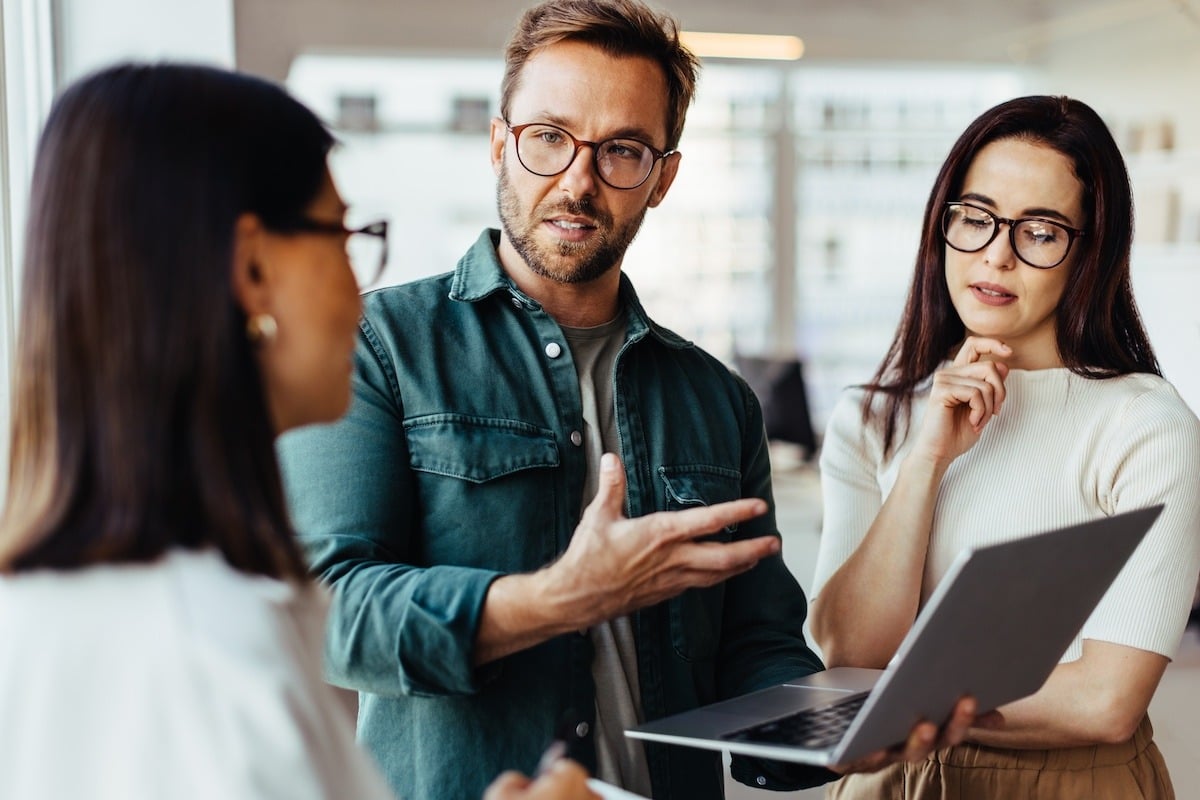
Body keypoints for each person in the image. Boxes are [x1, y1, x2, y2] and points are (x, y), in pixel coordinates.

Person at [276, 1, 982, 798]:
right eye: (549, 137)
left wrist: (836, 731)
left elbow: (757, 648)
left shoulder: (719, 401)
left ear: (663, 178)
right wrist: (554, 600)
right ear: (499, 144)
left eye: (621, 150)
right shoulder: (380, 345)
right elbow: (326, 613)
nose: (578, 181)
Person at [0, 62, 597, 800]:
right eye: (343, 237)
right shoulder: (211, 647)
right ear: (253, 268)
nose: (358, 288)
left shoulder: (62, 605)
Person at [809, 94, 1200, 799]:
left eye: (1040, 232)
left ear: (1090, 252)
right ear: (943, 224)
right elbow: (850, 652)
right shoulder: (872, 418)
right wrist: (927, 458)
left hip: (1072, 783)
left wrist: (896, 702)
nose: (995, 255)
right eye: (975, 217)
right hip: (888, 781)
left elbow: (1105, 702)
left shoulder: (1145, 423)